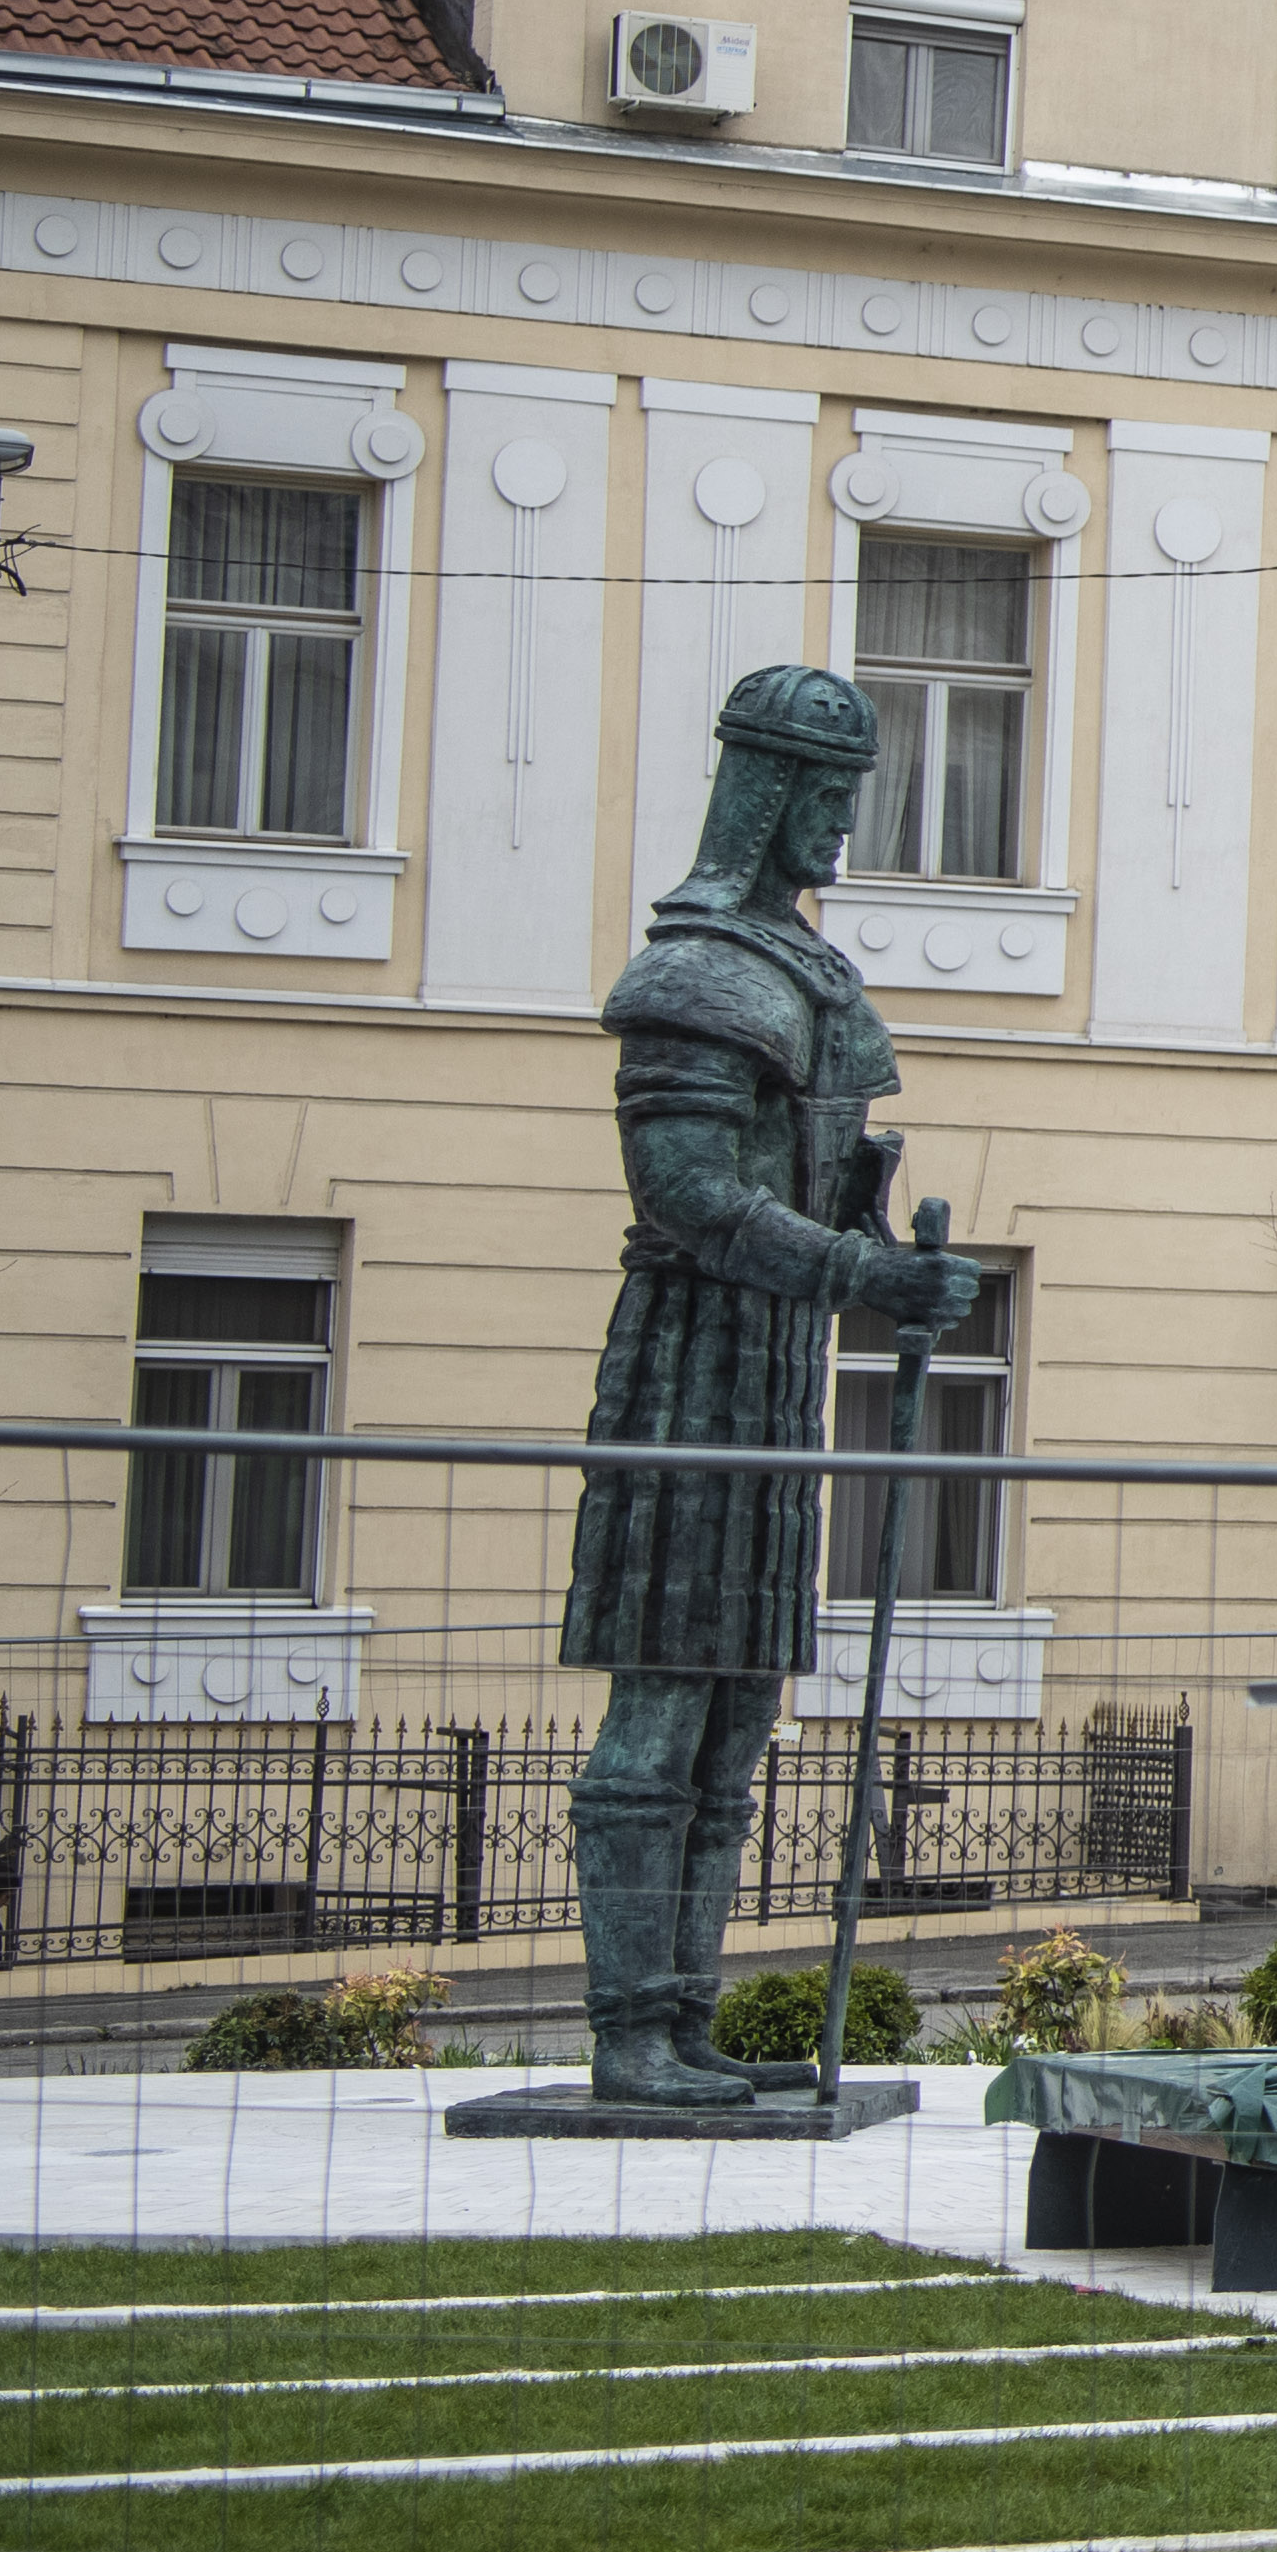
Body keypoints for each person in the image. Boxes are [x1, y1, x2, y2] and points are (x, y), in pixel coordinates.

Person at [552, 666, 984, 2116]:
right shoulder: (697, 977)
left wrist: (886, 1254)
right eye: (827, 796)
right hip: (685, 1374)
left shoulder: (804, 971)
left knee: (739, 1718)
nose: (841, 826)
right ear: (768, 791)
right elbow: (691, 1199)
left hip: (773, 1381)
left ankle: (682, 2020)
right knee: (665, 1708)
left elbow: (806, 1186)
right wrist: (862, 1279)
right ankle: (626, 2034)